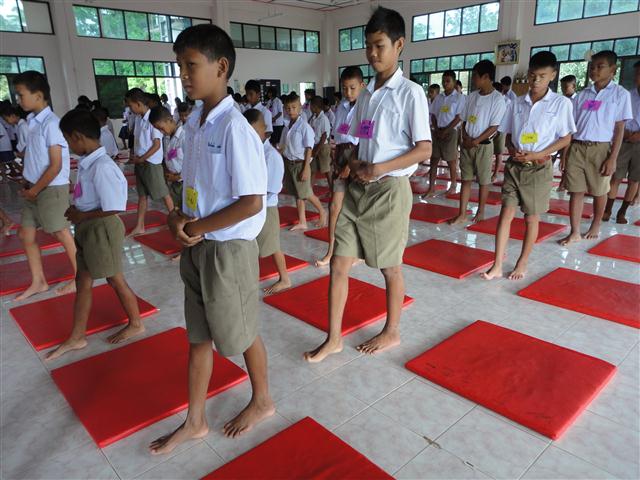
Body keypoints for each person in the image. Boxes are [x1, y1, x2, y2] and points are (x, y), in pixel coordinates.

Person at [149, 24, 274, 454]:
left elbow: (252, 201)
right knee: (198, 335)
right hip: (199, 243)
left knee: (241, 331)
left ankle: (263, 400)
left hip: (227, 249)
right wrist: (178, 219)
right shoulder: (196, 123)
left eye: (191, 65)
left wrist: (198, 228)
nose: (183, 74)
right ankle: (195, 420)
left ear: (221, 68)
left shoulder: (235, 127)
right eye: (179, 66)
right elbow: (195, 186)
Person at [304, 6, 431, 362]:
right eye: (368, 46)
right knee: (339, 263)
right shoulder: (366, 95)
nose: (372, 53)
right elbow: (362, 140)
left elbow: (424, 148)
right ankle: (333, 338)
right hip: (358, 189)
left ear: (399, 45)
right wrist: (352, 163)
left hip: (388, 191)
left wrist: (379, 168)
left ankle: (392, 331)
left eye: (379, 46)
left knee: (390, 267)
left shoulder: (410, 93)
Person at [45, 110, 144, 360]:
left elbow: (115, 206)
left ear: (78, 137)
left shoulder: (102, 166)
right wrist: (77, 210)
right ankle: (77, 336)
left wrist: (83, 215)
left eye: (68, 140)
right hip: (88, 226)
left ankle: (136, 323)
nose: (68, 146)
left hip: (102, 228)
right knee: (83, 280)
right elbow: (89, 197)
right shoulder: (87, 162)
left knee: (114, 279)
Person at [482, 51, 575, 281]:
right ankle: (497, 264)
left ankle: (522, 262)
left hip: (539, 168)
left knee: (531, 218)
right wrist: (512, 149)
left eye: (542, 76)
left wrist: (539, 154)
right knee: (505, 212)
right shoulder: (517, 103)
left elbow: (566, 138)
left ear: (552, 75)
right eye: (532, 75)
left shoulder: (561, 104)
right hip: (515, 166)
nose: (535, 81)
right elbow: (508, 134)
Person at [12, 71, 77, 300]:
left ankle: (80, 276)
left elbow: (56, 165)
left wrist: (35, 189)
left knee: (61, 232)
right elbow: (35, 155)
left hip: (50, 189)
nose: (18, 100)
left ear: (38, 95)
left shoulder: (52, 124)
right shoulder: (32, 122)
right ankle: (39, 281)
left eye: (21, 95)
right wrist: (27, 179)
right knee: (25, 235)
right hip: (34, 188)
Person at [559, 50, 632, 244]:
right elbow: (571, 127)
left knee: (600, 190)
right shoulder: (582, 95)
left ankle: (596, 224)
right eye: (592, 67)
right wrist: (565, 154)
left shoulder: (620, 94)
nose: (594, 70)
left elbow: (620, 129)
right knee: (576, 191)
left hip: (601, 149)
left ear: (613, 69)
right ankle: (575, 231)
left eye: (600, 66)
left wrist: (612, 158)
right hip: (577, 147)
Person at [315, 66, 365, 268]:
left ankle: (358, 253)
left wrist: (350, 167)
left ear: (362, 86)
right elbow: (339, 134)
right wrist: (336, 158)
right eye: (344, 88)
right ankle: (331, 251)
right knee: (334, 207)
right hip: (341, 155)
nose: (348, 92)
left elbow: (363, 140)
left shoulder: (367, 107)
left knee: (357, 207)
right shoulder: (341, 107)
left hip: (358, 157)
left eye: (352, 88)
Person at [449, 60, 506, 225]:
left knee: (483, 181)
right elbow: (464, 119)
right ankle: (462, 213)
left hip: (483, 146)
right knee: (466, 179)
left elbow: (494, 126)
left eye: (475, 76)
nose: (473, 79)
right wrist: (465, 138)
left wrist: (475, 141)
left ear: (486, 77)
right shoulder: (472, 96)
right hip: (467, 143)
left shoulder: (497, 99)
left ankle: (480, 212)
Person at [244, 108, 291, 294]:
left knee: (272, 244)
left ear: (263, 129)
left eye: (253, 131)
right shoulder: (252, 151)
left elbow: (273, 187)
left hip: (266, 206)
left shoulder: (271, 155)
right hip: (252, 204)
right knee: (254, 242)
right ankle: (249, 276)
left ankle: (285, 278)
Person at [125, 88, 174, 236]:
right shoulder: (138, 119)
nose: (130, 109)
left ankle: (175, 221)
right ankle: (140, 225)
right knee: (142, 195)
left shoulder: (153, 118)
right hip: (140, 162)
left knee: (164, 193)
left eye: (130, 105)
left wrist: (142, 158)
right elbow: (138, 141)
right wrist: (135, 156)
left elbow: (156, 145)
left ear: (138, 103)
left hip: (151, 163)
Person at [279, 93, 327, 231]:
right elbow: (282, 146)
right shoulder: (287, 126)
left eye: (294, 107)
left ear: (300, 107)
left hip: (301, 164)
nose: (291, 111)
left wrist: (306, 168)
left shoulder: (304, 126)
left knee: (306, 193)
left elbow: (309, 148)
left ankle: (322, 211)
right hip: (289, 163)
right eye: (288, 108)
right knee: (298, 194)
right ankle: (302, 221)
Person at [603, 60, 640, 224]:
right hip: (624, 140)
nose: (638, 77)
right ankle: (607, 210)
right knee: (616, 177)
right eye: (637, 74)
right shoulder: (627, 95)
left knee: (634, 180)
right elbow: (616, 119)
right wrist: (625, 133)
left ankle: (622, 213)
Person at [424, 70, 465, 197]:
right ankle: (431, 188)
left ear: (454, 82)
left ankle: (453, 186)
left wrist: (446, 130)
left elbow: (459, 117)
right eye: (443, 81)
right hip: (438, 131)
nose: (445, 83)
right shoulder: (439, 98)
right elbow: (433, 115)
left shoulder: (459, 98)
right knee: (434, 160)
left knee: (451, 160)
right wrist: (437, 129)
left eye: (448, 81)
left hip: (450, 132)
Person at [149, 106, 184, 211]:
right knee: (177, 210)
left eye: (161, 128)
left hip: (184, 181)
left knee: (186, 212)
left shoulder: (184, 136)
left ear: (169, 120)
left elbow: (193, 163)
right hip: (174, 182)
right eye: (158, 129)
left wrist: (178, 177)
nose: (161, 132)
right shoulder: (167, 137)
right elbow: (168, 157)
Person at [309, 95, 332, 189]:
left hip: (322, 147)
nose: (310, 108)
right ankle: (309, 190)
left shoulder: (324, 119)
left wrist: (317, 149)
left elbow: (324, 136)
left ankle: (332, 189)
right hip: (315, 145)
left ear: (315, 106)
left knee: (326, 170)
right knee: (313, 170)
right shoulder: (314, 118)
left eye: (311, 106)